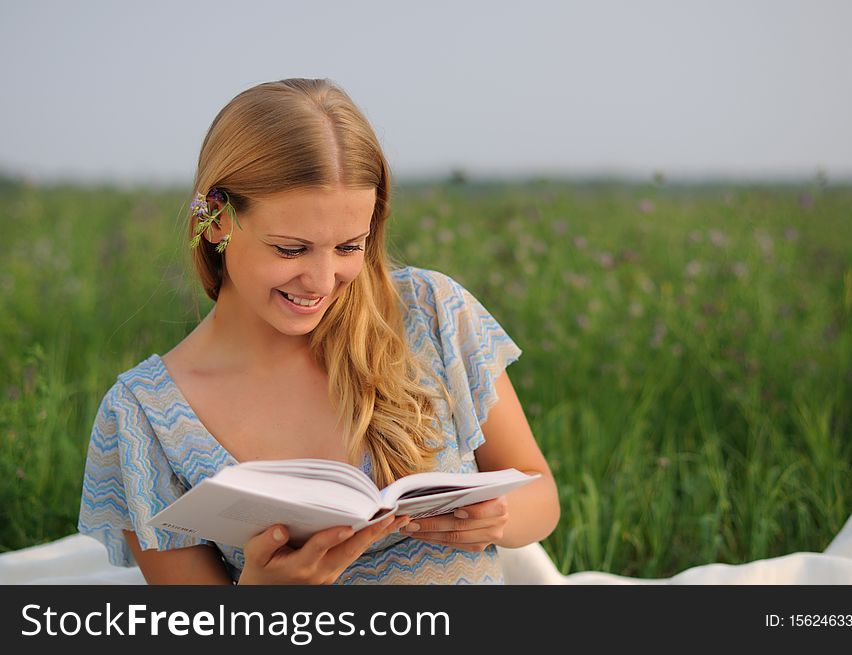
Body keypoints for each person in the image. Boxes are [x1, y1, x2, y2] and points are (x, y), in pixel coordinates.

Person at [78, 78, 560, 585]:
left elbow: (541, 495)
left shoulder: (431, 311)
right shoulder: (142, 418)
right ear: (217, 219)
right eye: (291, 249)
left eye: (350, 247)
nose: (322, 282)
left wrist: (499, 516)